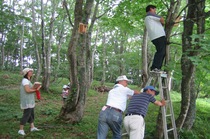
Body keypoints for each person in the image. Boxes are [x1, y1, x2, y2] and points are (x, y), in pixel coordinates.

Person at [18, 68, 41, 136]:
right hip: (26, 100)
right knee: (27, 114)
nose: (31, 72)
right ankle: (21, 129)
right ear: (26, 73)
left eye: (32, 71)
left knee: (31, 114)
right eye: (30, 71)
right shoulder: (25, 80)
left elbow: (30, 89)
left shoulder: (28, 80)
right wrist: (36, 90)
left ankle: (32, 127)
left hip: (30, 99)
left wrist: (36, 87)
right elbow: (27, 91)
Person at [144, 5, 166, 71]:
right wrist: (163, 22)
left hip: (155, 37)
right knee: (161, 51)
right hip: (158, 35)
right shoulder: (150, 14)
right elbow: (161, 19)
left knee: (162, 51)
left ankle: (157, 67)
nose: (155, 11)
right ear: (151, 9)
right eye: (154, 10)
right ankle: (155, 67)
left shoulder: (148, 17)